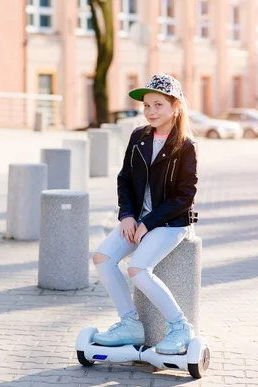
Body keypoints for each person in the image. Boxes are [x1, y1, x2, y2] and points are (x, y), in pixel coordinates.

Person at [91, 74, 199, 355]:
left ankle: (180, 327)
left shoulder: (185, 147)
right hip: (137, 219)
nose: (151, 111)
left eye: (158, 105)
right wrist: (127, 215)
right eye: (147, 106)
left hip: (170, 222)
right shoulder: (139, 137)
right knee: (102, 258)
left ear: (175, 106)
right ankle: (130, 324)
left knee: (138, 269)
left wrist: (148, 222)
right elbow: (124, 178)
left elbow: (184, 197)